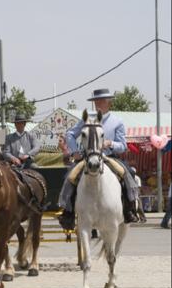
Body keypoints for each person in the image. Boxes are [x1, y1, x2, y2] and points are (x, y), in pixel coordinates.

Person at [58, 88, 139, 230]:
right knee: (70, 176)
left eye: (102, 101)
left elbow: (123, 145)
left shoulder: (117, 121)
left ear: (109, 103)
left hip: (109, 157)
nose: (98, 103)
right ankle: (68, 213)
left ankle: (130, 209)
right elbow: (70, 134)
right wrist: (74, 151)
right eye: (96, 101)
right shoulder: (87, 118)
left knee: (128, 173)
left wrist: (111, 143)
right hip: (88, 157)